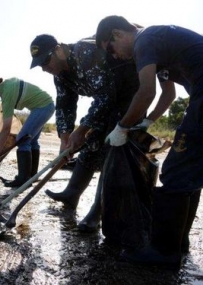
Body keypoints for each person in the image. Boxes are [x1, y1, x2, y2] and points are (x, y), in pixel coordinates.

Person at [95, 15, 203, 269]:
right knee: (190, 170)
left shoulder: (145, 40)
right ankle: (178, 241)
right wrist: (146, 122)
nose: (115, 56)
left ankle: (164, 252)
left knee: (176, 171)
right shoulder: (159, 45)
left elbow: (146, 92)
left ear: (118, 34)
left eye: (111, 49)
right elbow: (168, 94)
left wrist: (121, 128)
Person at [29, 34, 140, 232]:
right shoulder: (60, 74)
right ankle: (71, 193)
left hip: (128, 98)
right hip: (106, 102)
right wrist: (65, 135)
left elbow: (106, 95)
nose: (44, 68)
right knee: (91, 145)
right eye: (40, 65)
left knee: (110, 152)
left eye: (46, 61)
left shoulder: (85, 53)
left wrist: (82, 130)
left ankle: (97, 212)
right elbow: (64, 104)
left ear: (59, 50)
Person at [0, 77, 55, 187]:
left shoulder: (6, 94)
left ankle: (23, 179)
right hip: (46, 105)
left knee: (22, 140)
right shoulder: (6, 86)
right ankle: (31, 176)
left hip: (43, 107)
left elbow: (6, 128)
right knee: (31, 141)